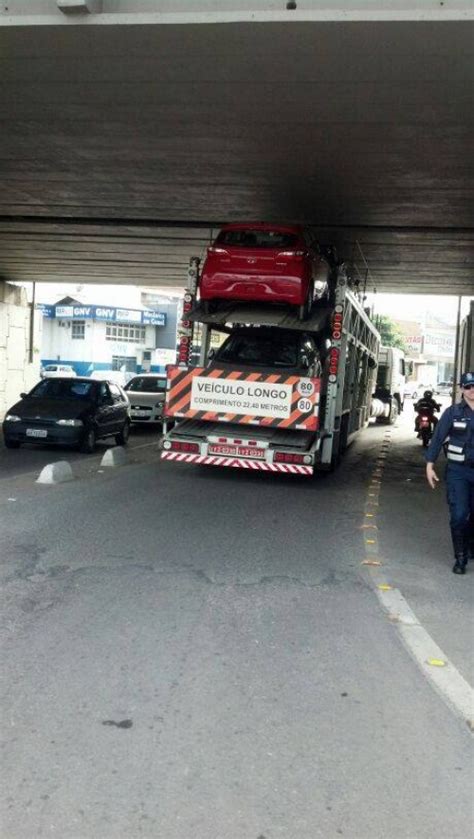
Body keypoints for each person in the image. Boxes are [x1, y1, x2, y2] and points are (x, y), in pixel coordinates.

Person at [425, 372, 474, 574]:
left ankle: (470, 543)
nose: (472, 390)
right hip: (458, 472)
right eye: (468, 386)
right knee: (459, 514)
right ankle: (460, 558)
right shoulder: (452, 413)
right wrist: (429, 464)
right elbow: (437, 438)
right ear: (462, 389)